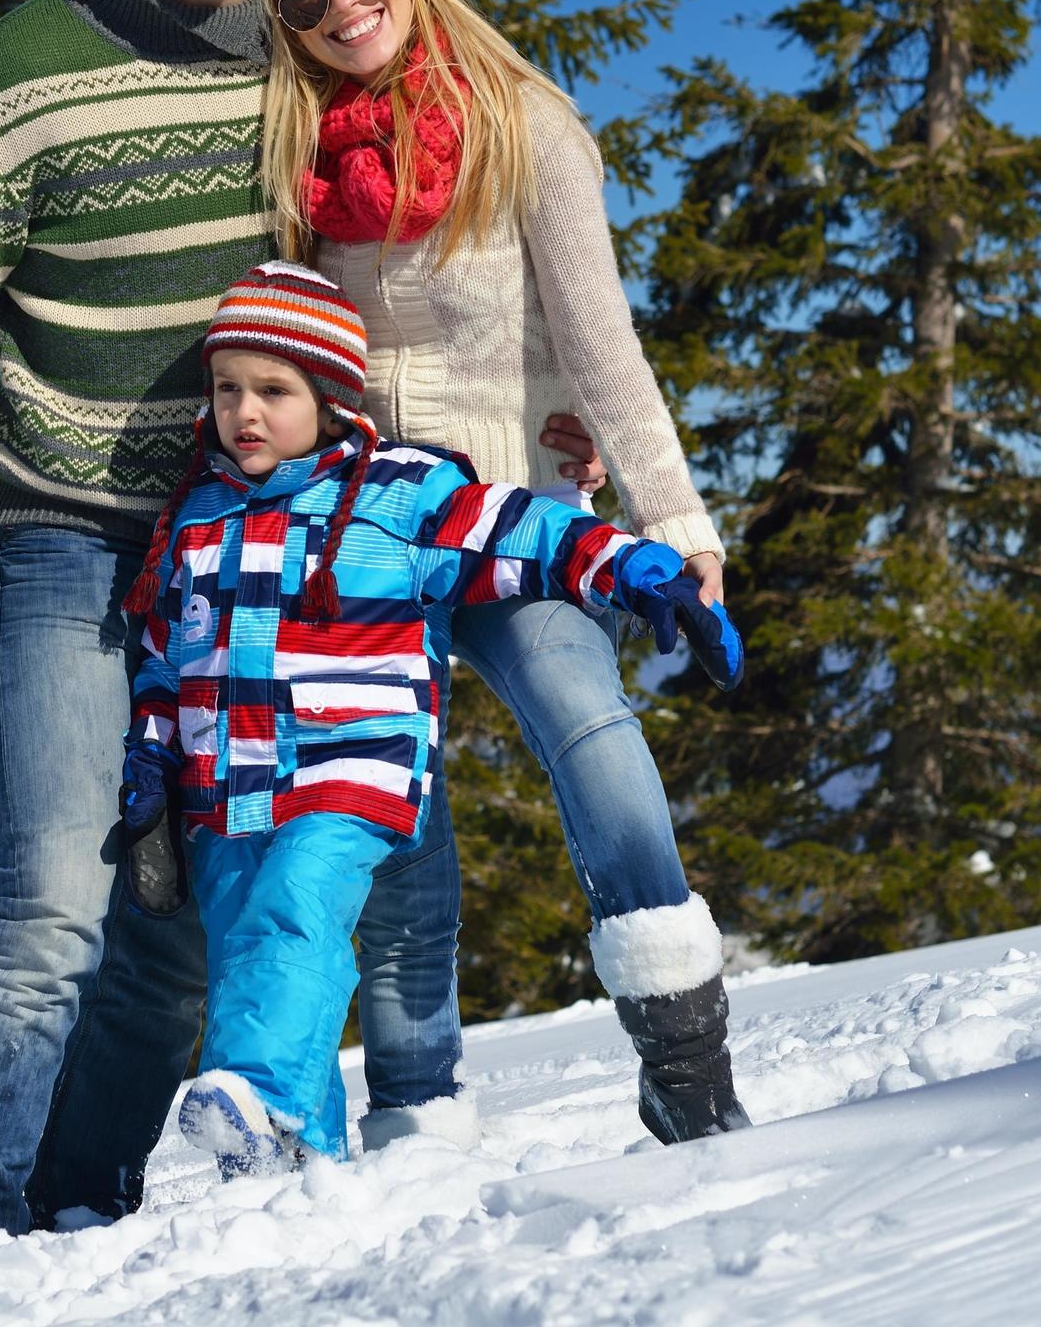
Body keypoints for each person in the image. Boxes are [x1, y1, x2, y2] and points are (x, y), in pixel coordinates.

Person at [0, 0, 613, 1284]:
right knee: (58, 898)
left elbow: (437, 235)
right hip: (73, 533)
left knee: (185, 914)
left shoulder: (298, 48)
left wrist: (549, 405)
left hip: (254, 542)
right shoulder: (18, 73)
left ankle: (74, 1213)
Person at [247, 0, 758, 1149]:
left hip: (515, 513)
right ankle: (417, 1102)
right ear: (287, 24)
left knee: (593, 729)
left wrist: (678, 523)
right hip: (364, 526)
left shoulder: (524, 127)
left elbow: (603, 351)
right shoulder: (297, 158)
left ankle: (686, 1055)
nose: (347, 6)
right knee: (391, 801)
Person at [113, 262, 740, 1173]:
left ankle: (264, 1094)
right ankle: (301, 1170)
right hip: (225, 790)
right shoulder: (194, 517)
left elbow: (524, 530)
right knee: (256, 950)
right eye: (226, 390)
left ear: (328, 399)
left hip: (346, 770)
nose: (243, 413)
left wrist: (640, 569)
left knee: (293, 912)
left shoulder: (396, 492)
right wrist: (150, 764)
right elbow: (167, 658)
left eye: (273, 392)